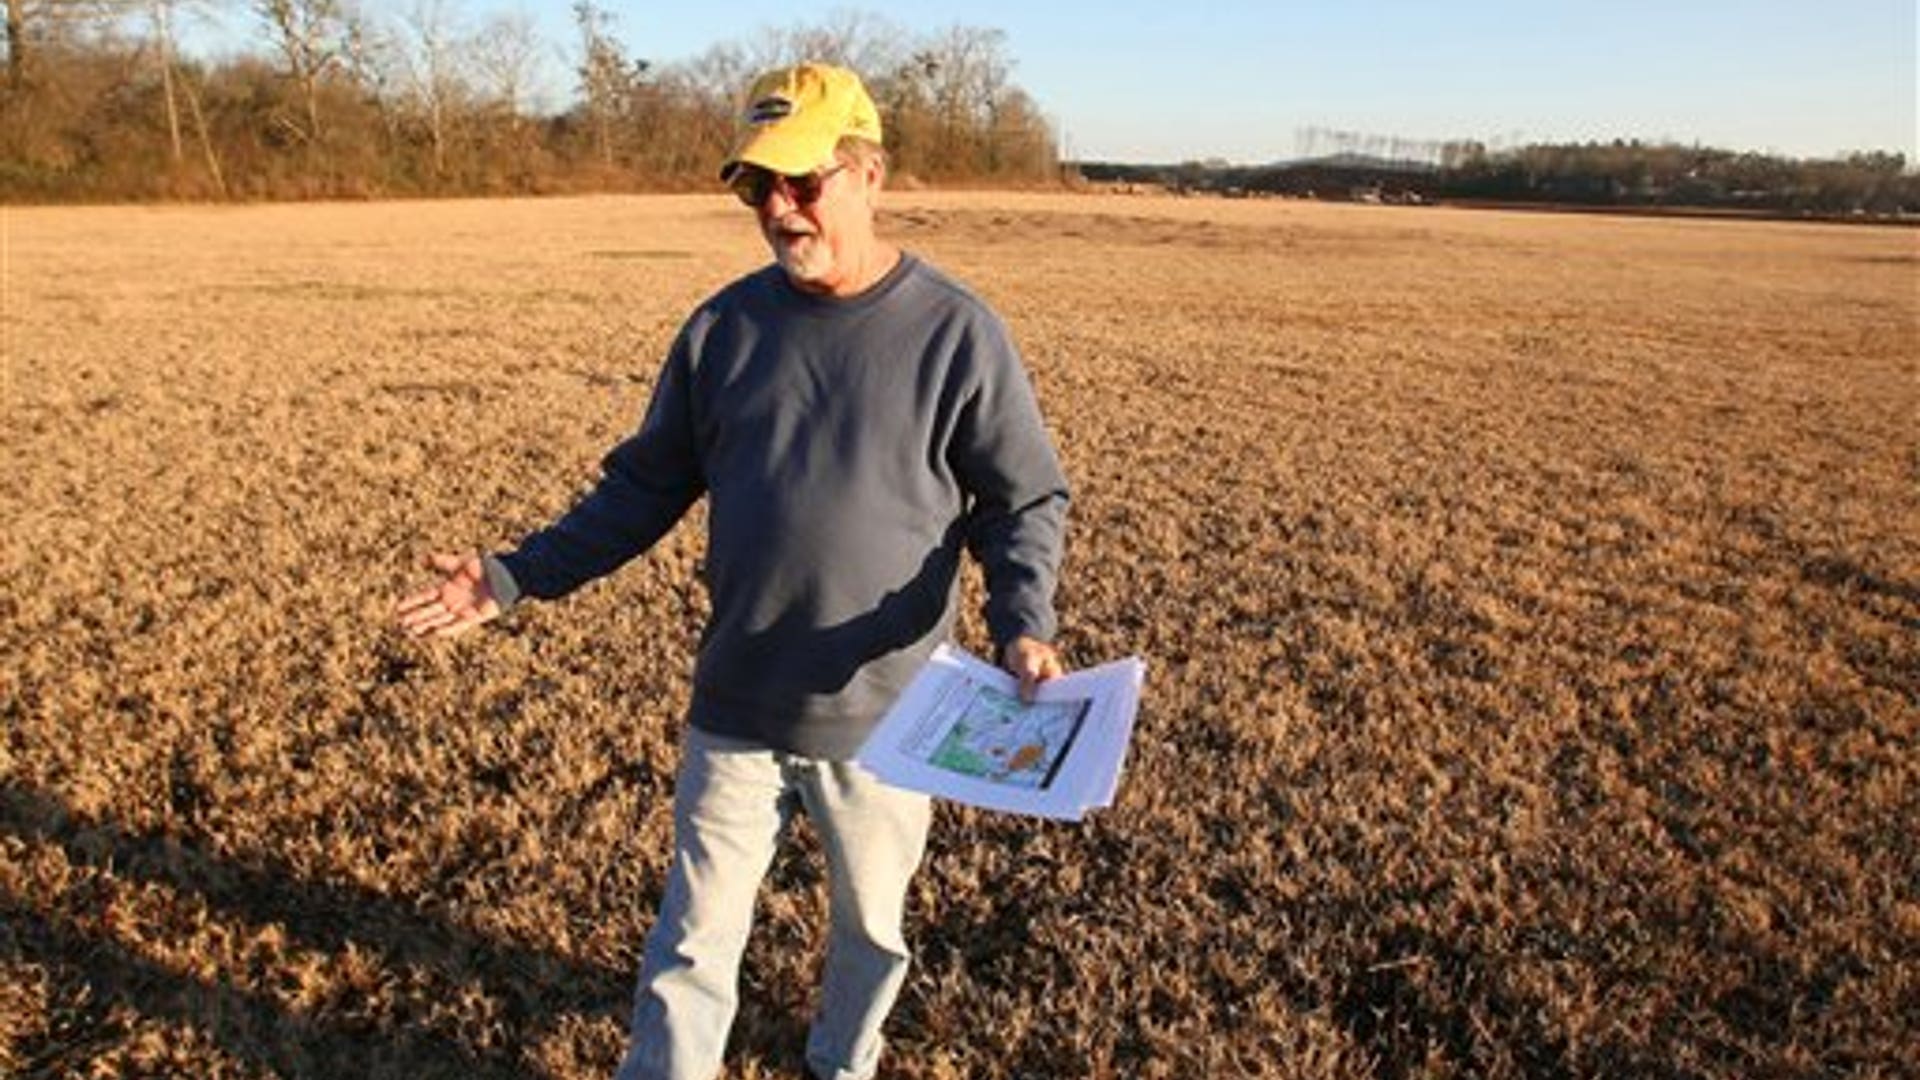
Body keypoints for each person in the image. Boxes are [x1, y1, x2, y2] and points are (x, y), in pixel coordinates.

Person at [395, 63, 1071, 1080]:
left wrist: (1024, 619)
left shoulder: (955, 334)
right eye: (760, 187)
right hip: (738, 702)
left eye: (804, 182)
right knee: (692, 940)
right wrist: (510, 575)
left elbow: (1021, 500)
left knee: (871, 935)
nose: (780, 209)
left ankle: (841, 1062)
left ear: (870, 173)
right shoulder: (722, 330)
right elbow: (640, 491)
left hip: (889, 719)